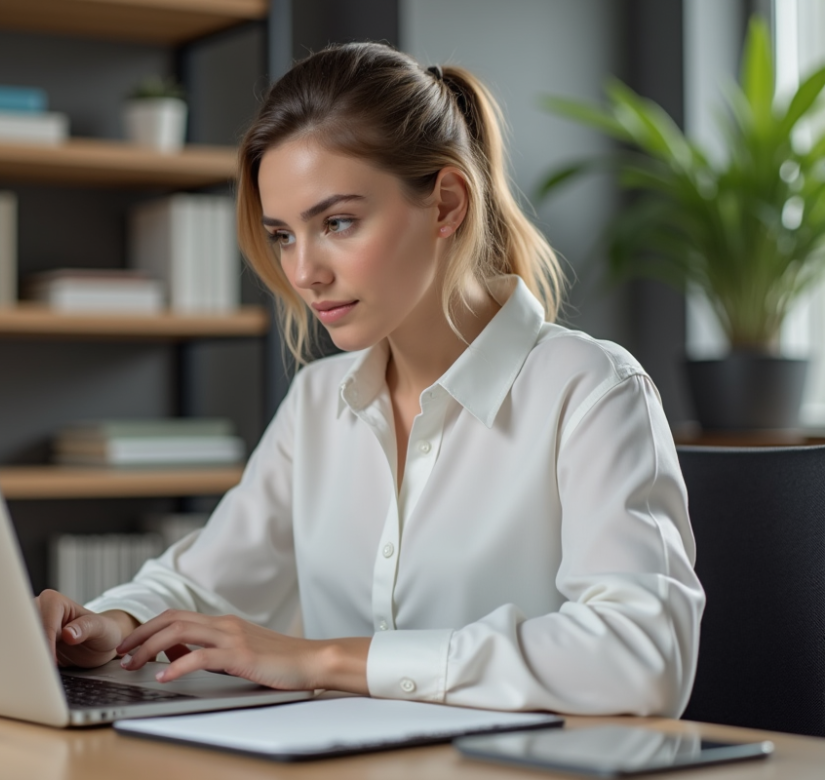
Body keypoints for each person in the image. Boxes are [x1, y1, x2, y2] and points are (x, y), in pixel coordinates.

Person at [36, 42, 705, 717]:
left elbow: (640, 658)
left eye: (338, 223)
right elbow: (209, 585)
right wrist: (111, 624)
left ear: (446, 204)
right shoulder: (319, 402)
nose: (304, 273)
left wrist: (323, 659)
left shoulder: (591, 389)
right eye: (284, 236)